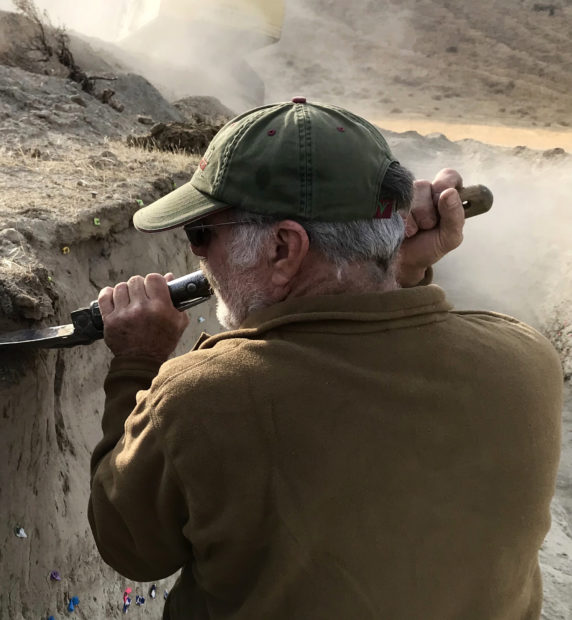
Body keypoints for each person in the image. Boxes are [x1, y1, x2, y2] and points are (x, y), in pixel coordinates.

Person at [88, 99, 564, 619]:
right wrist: (391, 273)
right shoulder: (527, 359)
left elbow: (131, 546)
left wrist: (137, 362)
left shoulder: (202, 400)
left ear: (283, 249)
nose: (200, 257)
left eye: (202, 233)